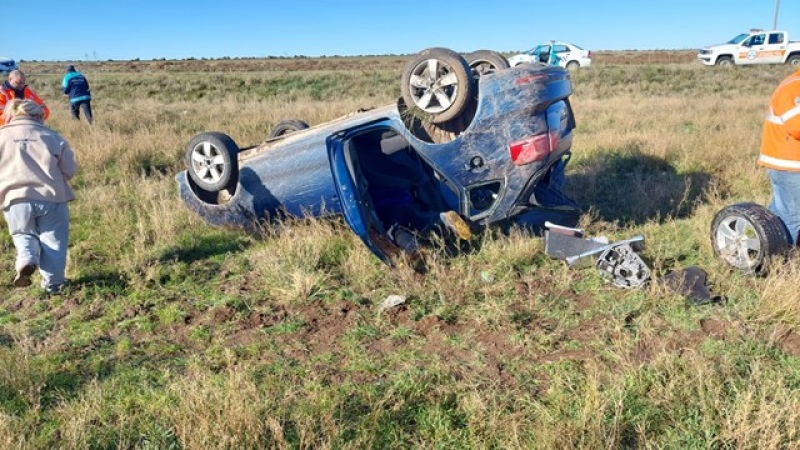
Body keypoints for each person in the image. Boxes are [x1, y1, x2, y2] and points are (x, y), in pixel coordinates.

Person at [0, 99, 77, 293]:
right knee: (53, 241)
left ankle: (26, 258)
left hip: (14, 198)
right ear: (38, 116)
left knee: (22, 233)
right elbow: (69, 171)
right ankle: (53, 285)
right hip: (51, 197)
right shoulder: (52, 136)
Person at [758, 68, 800, 244]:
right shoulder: (794, 87)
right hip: (789, 166)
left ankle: (765, 251)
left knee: (778, 216)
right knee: (793, 218)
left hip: (792, 165)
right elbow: (796, 126)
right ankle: (784, 263)